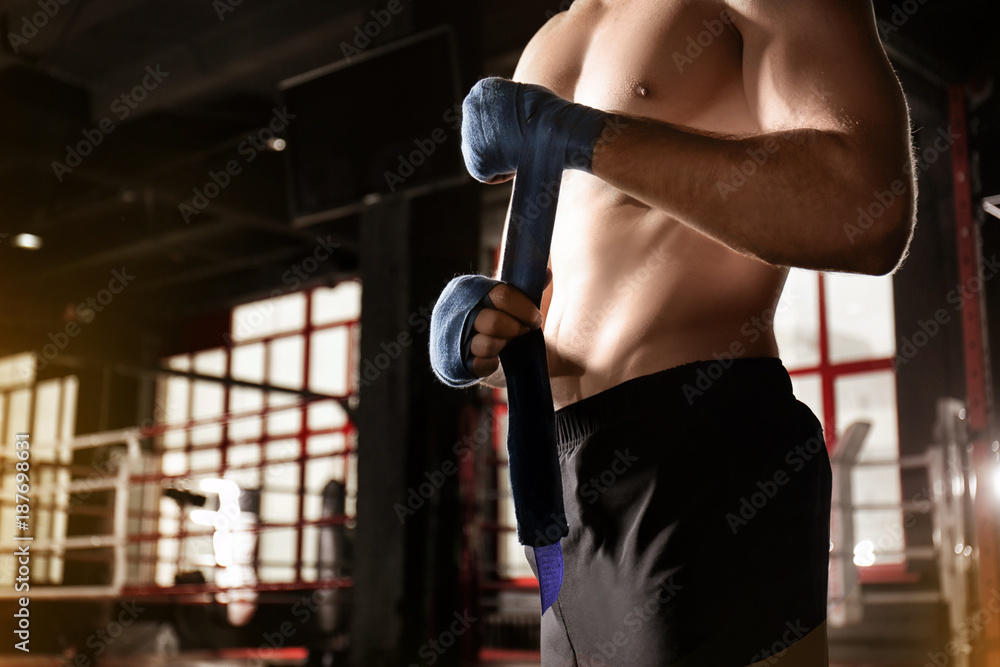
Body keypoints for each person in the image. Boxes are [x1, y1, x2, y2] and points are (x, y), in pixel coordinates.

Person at [456, 1, 916, 665]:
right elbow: (539, 311)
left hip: (703, 451)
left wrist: (579, 135)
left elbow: (867, 203)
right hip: (559, 487)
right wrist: (477, 331)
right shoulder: (549, 44)